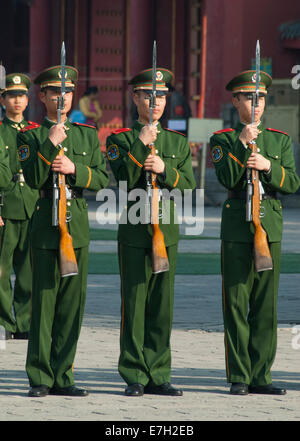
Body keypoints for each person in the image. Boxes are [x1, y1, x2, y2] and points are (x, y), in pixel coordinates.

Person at [17, 65, 109, 398]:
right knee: (44, 302)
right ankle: (40, 376)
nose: (62, 98)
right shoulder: (28, 135)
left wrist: (76, 169)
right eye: (54, 92)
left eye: (67, 92)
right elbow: (34, 176)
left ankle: (64, 374)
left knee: (72, 303)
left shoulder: (86, 133)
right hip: (45, 221)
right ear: (41, 96)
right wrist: (49, 143)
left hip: (77, 222)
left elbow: (101, 179)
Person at [209, 70, 300, 396]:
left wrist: (268, 167)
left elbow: (291, 183)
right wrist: (243, 143)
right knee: (236, 303)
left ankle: (261, 375)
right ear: (235, 101)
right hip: (237, 227)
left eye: (260, 97)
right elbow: (228, 178)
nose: (256, 104)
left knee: (265, 306)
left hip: (270, 227)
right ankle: (239, 375)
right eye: (248, 97)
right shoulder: (222, 140)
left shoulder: (279, 140)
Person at [106, 68, 196, 397]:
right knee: (134, 303)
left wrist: (165, 169)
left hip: (166, 232)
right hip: (133, 231)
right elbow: (122, 177)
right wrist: (141, 144)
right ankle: (134, 373)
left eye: (160, 95)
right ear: (134, 98)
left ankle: (159, 372)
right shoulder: (119, 140)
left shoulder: (177, 142)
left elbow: (189, 185)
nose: (155, 102)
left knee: (162, 305)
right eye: (147, 94)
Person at [0, 73, 39, 340]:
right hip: (5, 205)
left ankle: (24, 322)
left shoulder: (35, 131)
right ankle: (4, 322)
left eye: (22, 95)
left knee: (28, 269)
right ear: (3, 100)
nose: (17, 100)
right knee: (2, 270)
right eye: (12, 95)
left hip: (32, 204)